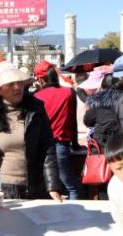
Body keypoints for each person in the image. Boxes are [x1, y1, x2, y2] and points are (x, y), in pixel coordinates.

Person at [0, 62, 63, 201]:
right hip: (0, 190)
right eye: (10, 83)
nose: (17, 87)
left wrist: (52, 186)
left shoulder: (36, 109)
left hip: (34, 187)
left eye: (19, 82)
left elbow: (47, 149)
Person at [33, 60, 84, 200]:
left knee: (48, 189)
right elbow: (72, 121)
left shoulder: (36, 96)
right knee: (72, 187)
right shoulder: (69, 93)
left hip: (40, 148)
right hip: (61, 146)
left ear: (41, 79)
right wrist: (75, 143)